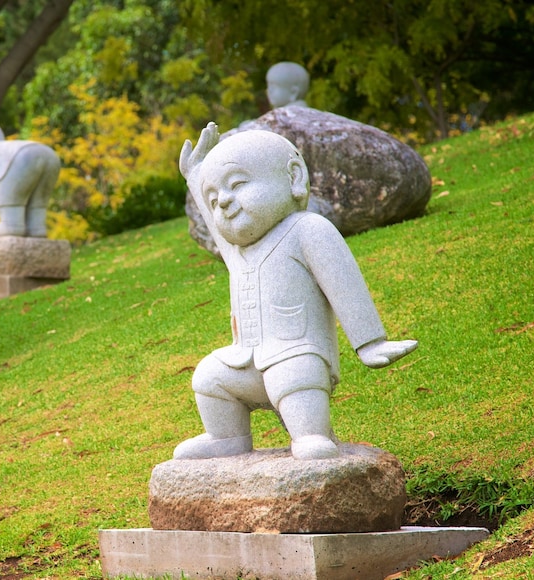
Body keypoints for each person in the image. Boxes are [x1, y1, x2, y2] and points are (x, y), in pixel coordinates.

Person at [176, 122, 417, 460]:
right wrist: (195, 175)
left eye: (238, 185)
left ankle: (310, 434)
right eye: (215, 200)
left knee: (295, 376)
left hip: (296, 353)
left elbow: (344, 284)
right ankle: (226, 437)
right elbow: (215, 229)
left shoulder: (308, 230)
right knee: (209, 376)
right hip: (245, 361)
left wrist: (370, 342)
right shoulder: (238, 251)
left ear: (294, 178)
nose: (224, 203)